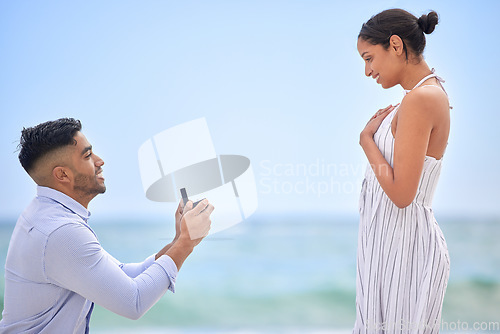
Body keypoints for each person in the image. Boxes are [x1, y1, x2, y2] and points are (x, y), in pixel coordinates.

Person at [0, 118, 214, 333]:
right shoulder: (61, 232)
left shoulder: (46, 214)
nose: (99, 161)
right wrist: (187, 242)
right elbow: (134, 301)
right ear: (62, 174)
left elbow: (123, 275)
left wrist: (178, 239)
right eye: (87, 155)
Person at [355, 9, 450, 333]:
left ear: (395, 44)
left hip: (405, 249)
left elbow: (402, 195)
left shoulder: (422, 99)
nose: (368, 71)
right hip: (391, 245)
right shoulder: (416, 97)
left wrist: (367, 140)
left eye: (369, 58)